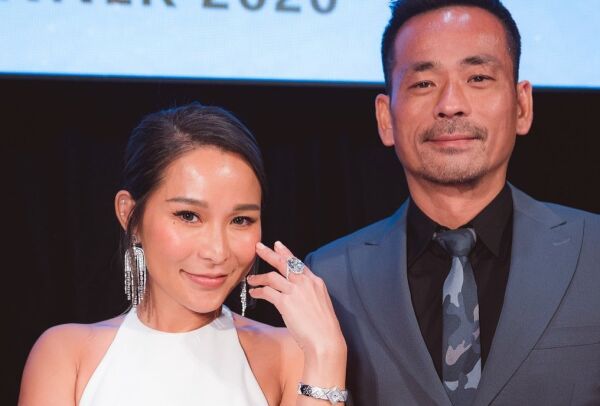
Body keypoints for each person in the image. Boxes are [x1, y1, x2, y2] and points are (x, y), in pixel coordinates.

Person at [306, 1, 600, 405]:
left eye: (478, 78)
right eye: (424, 84)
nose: (450, 104)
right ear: (386, 118)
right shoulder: (329, 277)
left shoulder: (594, 252)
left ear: (522, 106)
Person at [18, 103, 348, 406]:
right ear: (130, 216)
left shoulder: (288, 354)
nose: (217, 251)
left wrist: (327, 352)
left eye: (240, 220)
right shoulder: (66, 355)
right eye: (189, 216)